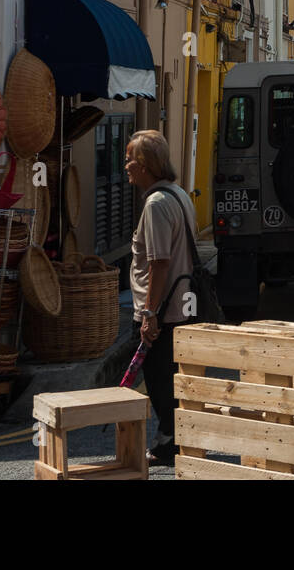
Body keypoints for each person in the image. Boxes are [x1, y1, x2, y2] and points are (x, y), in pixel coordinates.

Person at [125, 129, 197, 468]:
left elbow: (159, 262)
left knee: (159, 382)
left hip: (163, 310)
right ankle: (175, 441)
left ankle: (169, 446)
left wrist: (149, 313)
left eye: (129, 160)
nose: (125, 166)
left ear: (143, 165)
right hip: (183, 305)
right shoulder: (178, 194)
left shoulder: (155, 204)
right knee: (172, 379)